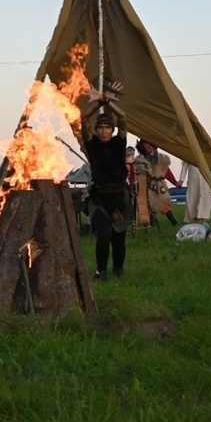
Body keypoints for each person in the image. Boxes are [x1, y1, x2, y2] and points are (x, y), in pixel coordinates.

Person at [80, 81, 131, 279]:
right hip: (99, 197)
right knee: (103, 235)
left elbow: (123, 117)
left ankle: (118, 269)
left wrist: (107, 102)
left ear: (112, 129)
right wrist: (100, 101)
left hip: (120, 196)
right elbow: (83, 118)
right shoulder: (91, 144)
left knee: (119, 238)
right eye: (99, 127)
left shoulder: (120, 142)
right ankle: (101, 271)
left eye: (107, 127)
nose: (103, 130)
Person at [135, 139, 181, 229]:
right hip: (148, 186)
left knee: (164, 203)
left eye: (149, 147)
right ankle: (151, 223)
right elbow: (138, 174)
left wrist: (175, 183)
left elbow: (167, 173)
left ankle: (173, 221)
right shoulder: (140, 161)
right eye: (146, 148)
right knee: (149, 205)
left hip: (160, 186)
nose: (149, 150)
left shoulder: (162, 160)